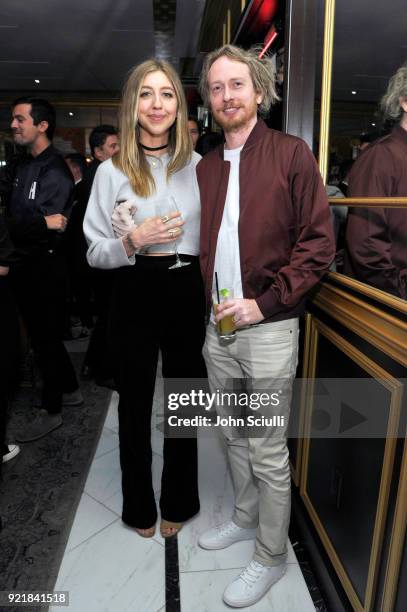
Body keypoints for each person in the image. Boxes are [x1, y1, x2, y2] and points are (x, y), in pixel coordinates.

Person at [196, 45, 335, 607]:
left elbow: (318, 243)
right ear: (209, 100)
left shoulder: (290, 154)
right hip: (217, 328)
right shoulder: (206, 166)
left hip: (270, 326)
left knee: (267, 448)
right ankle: (244, 518)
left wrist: (267, 302)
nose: (227, 96)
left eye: (237, 85)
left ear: (258, 91)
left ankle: (272, 557)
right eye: (216, 87)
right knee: (231, 433)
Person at [84, 59, 206, 538]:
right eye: (147, 94)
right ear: (132, 104)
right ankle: (138, 504)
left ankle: (181, 497)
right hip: (133, 287)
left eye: (167, 94)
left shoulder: (201, 167)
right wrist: (133, 241)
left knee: (186, 398)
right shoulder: (110, 172)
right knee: (133, 403)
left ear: (179, 104)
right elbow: (94, 251)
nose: (157, 105)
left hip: (185, 286)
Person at [5, 97, 83, 443]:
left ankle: (51, 410)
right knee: (43, 337)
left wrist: (23, 225)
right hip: (23, 265)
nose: (13, 125)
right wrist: (30, 223)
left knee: (44, 340)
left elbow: (53, 226)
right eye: (12, 119)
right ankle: (70, 388)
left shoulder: (54, 169)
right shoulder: (23, 165)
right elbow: (21, 220)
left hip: (44, 268)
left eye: (20, 119)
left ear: (42, 126)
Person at [343, 65, 407, 299]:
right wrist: (400, 294)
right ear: (404, 103)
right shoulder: (381, 156)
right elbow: (366, 246)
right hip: (387, 304)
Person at [80, 126, 119, 386]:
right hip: (103, 260)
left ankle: (93, 365)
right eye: (113, 147)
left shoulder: (107, 173)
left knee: (107, 316)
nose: (119, 151)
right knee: (109, 317)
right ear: (98, 152)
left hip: (107, 258)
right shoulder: (99, 176)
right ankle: (103, 370)